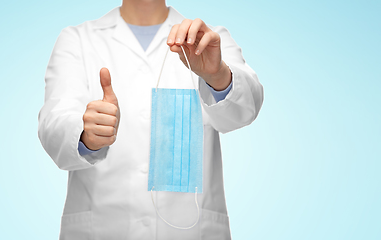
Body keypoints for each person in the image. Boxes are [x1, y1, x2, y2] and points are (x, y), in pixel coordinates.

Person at [38, 0, 264, 239]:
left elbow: (244, 110)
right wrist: (85, 135)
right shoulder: (78, 40)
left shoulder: (209, 39)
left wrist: (217, 76)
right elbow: (53, 124)